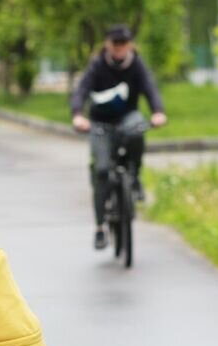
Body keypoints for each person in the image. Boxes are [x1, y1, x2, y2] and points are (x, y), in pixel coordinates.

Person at [69, 24, 168, 251]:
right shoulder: (98, 66)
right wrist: (77, 115)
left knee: (138, 129)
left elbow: (150, 89)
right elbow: (81, 91)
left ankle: (135, 176)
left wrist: (158, 112)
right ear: (108, 44)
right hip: (100, 123)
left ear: (130, 45)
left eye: (123, 44)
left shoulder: (136, 64)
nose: (119, 48)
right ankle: (100, 227)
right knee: (102, 171)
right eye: (115, 44)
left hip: (126, 119)